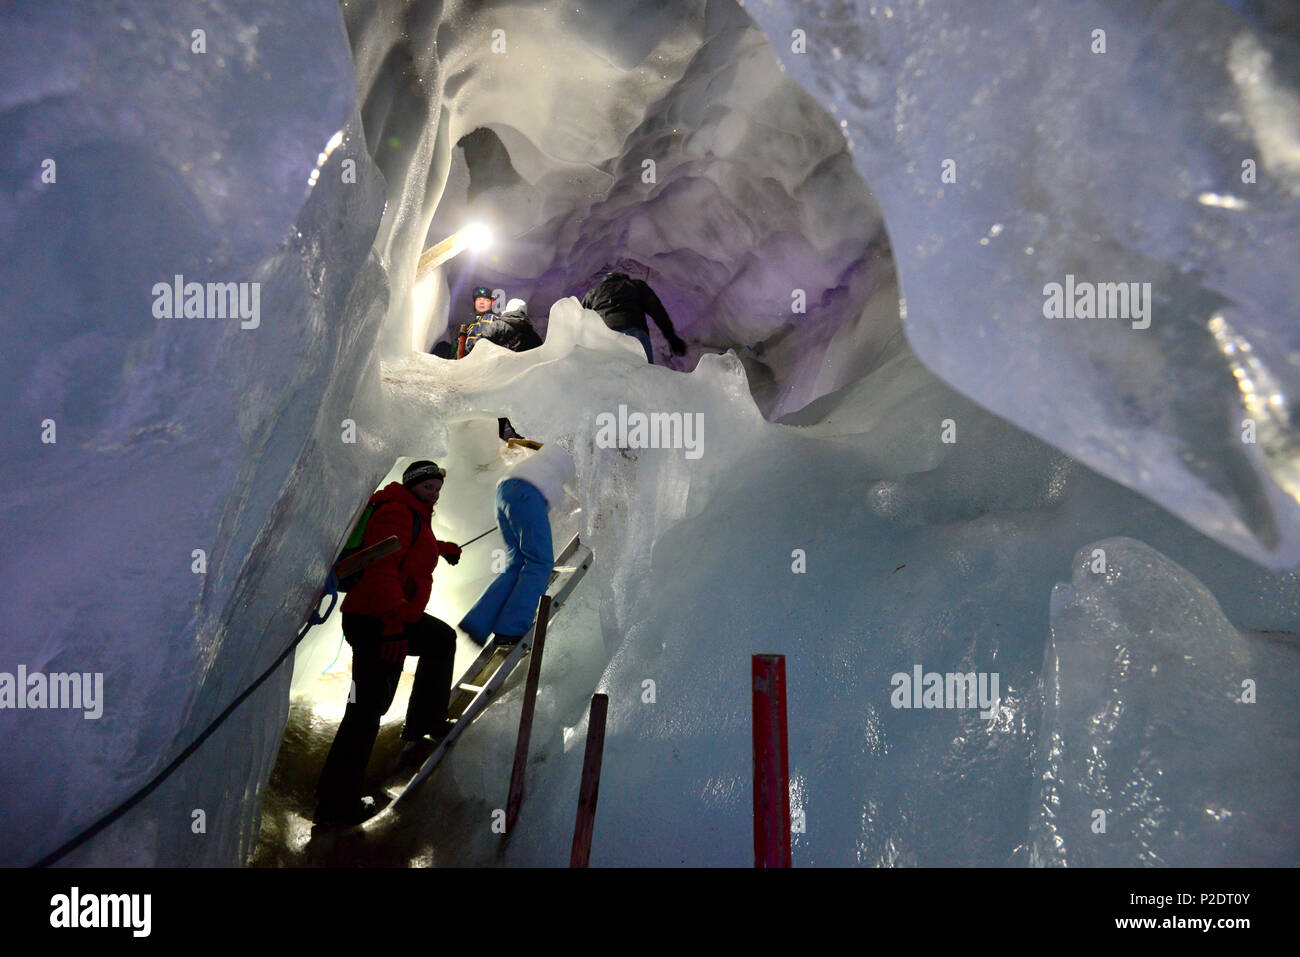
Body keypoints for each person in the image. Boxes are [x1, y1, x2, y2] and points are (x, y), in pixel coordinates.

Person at [314, 460, 463, 827]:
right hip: (378, 620)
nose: (435, 493)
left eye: (437, 487)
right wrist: (394, 626)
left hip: (392, 618)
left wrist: (441, 548)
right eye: (428, 486)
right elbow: (382, 569)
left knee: (441, 640)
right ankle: (336, 806)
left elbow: (408, 549)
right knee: (366, 711)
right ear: (412, 484)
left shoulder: (413, 513)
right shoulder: (396, 511)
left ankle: (424, 721)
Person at [459, 442, 575, 647]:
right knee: (540, 563)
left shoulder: (554, 448)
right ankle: (511, 628)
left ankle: (478, 621)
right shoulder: (582, 446)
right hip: (528, 493)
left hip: (506, 490)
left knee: (517, 563)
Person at [581, 271, 686, 364]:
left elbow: (578, 319)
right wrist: (672, 338)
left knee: (609, 379)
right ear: (624, 277)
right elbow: (658, 312)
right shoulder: (636, 285)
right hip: (635, 334)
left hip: (605, 337)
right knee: (643, 376)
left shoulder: (592, 293)